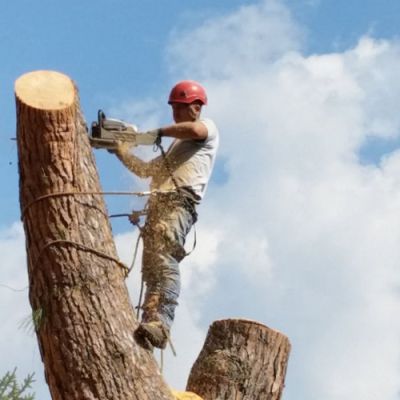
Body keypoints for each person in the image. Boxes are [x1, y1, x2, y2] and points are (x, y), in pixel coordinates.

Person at [112, 80, 219, 350]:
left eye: (180, 108)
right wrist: (120, 151)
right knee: (152, 268)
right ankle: (150, 323)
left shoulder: (206, 130)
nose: (176, 114)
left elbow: (193, 129)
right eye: (173, 109)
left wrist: (155, 133)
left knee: (164, 255)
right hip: (161, 207)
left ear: (196, 108)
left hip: (178, 204)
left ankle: (162, 323)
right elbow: (146, 170)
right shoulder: (176, 149)